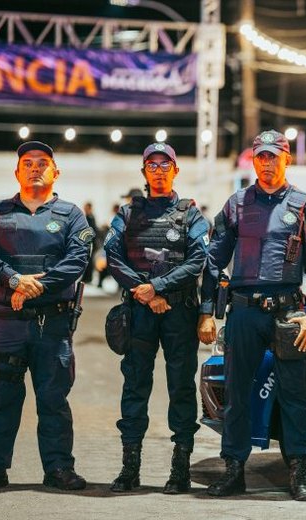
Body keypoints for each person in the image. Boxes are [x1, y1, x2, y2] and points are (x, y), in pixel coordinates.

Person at [198, 129, 306, 501]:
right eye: (261, 157)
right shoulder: (236, 204)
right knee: (238, 392)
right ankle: (234, 470)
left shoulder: (304, 205)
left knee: (294, 394)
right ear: (253, 161)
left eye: (274, 156)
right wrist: (207, 312)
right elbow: (213, 261)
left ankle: (299, 472)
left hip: (289, 314)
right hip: (243, 312)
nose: (267, 163)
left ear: (287, 159)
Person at [0, 141, 93, 492]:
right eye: (28, 162)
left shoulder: (71, 215)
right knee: (1, 398)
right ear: (17, 171)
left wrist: (35, 287)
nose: (35, 167)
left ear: (56, 171)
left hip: (53, 324)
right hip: (6, 324)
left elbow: (76, 260)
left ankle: (59, 469)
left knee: (54, 400)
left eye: (43, 162)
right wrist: (14, 279)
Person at [104, 142, 209, 494]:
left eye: (166, 164)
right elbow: (112, 256)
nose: (160, 170)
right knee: (135, 386)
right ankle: (129, 470)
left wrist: (157, 287)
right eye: (153, 164)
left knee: (181, 388)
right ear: (144, 171)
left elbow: (198, 261)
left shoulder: (190, 214)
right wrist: (143, 291)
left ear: (175, 170)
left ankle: (180, 471)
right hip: (139, 312)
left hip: (179, 312)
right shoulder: (128, 213)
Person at [82, 202, 97, 283]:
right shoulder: (88, 217)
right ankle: (87, 277)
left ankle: (88, 278)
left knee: (89, 261)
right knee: (88, 260)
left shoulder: (90, 217)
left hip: (91, 242)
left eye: (85, 207)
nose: (84, 208)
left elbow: (92, 231)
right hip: (89, 242)